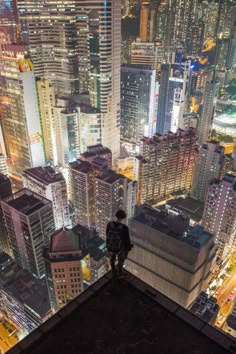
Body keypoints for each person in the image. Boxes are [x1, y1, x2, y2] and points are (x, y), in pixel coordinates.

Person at [106, 209, 133, 277]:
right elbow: (127, 240)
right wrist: (128, 249)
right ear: (123, 218)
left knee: (112, 258)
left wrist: (108, 245)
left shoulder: (110, 224)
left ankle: (113, 270)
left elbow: (107, 235)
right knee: (121, 260)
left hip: (111, 246)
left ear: (116, 215)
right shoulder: (124, 228)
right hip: (120, 248)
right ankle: (120, 272)